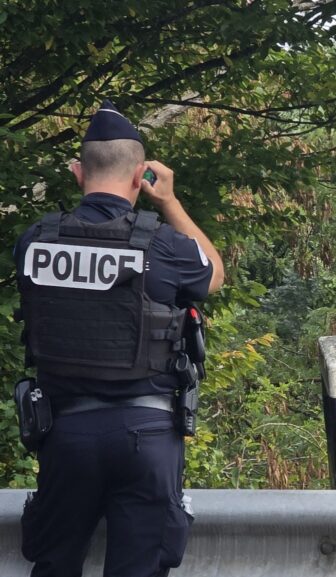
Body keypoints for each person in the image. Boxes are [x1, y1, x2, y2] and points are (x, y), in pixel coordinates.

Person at [14, 100, 224, 577]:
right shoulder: (164, 246)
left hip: (64, 435)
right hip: (146, 440)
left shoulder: (35, 242)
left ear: (76, 172)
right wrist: (168, 202)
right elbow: (214, 275)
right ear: (140, 177)